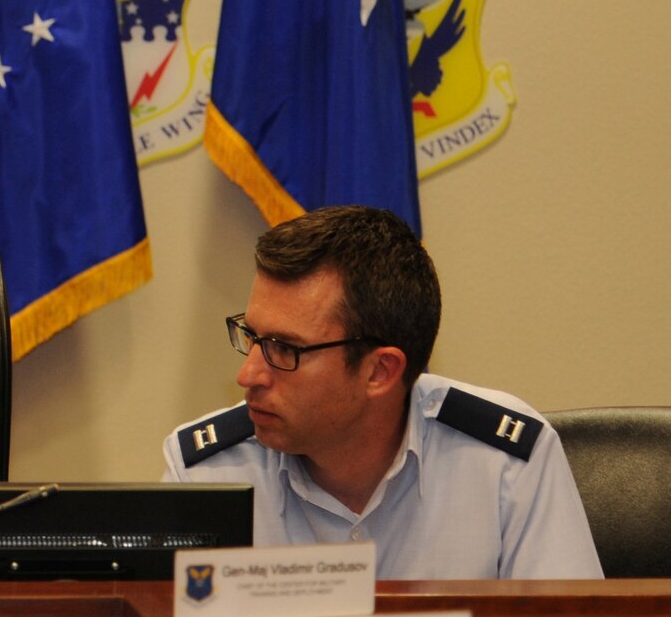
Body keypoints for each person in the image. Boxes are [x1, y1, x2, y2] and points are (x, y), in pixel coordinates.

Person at [163, 205, 600, 579]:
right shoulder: (205, 475)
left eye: (284, 348)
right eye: (252, 337)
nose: (249, 375)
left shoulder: (505, 464)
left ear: (380, 371)